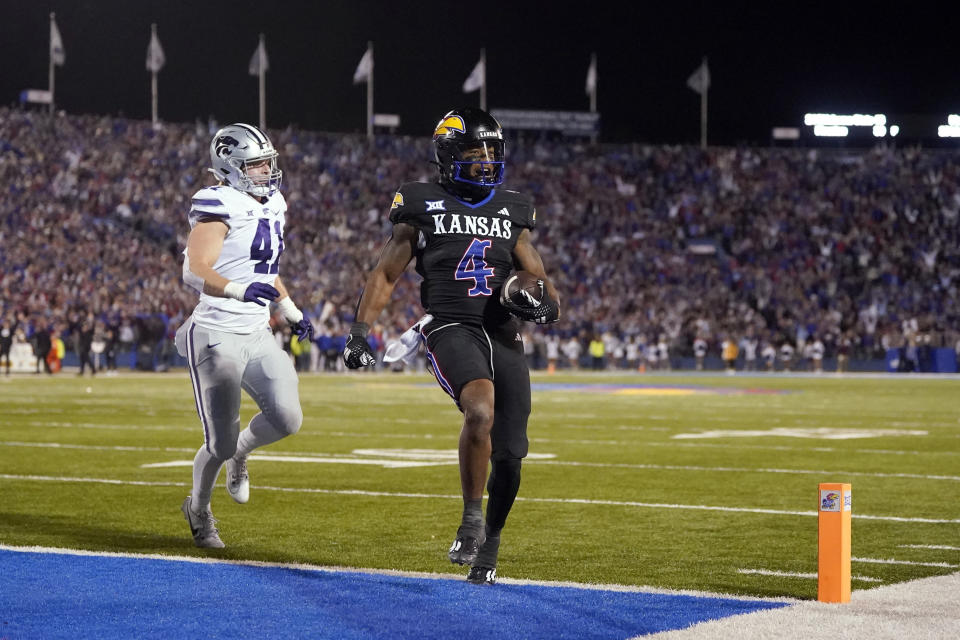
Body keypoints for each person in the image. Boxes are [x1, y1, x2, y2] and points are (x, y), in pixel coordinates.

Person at [342, 108, 560, 585]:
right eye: (473, 151)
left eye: (490, 151)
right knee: (478, 409)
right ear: (447, 155)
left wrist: (545, 306)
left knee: (512, 455)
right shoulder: (421, 202)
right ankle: (470, 519)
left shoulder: (513, 208)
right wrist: (361, 332)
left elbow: (541, 279)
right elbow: (386, 272)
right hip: (451, 326)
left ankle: (491, 544)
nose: (484, 160)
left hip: (503, 333)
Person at [175, 123, 314, 548]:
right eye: (255, 165)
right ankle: (198, 510)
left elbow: (264, 271)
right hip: (217, 334)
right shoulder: (218, 202)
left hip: (256, 332)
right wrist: (237, 290)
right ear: (230, 167)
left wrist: (288, 308)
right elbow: (193, 269)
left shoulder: (274, 202)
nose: (266, 172)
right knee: (217, 443)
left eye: (267, 163)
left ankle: (243, 451)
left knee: (288, 418)